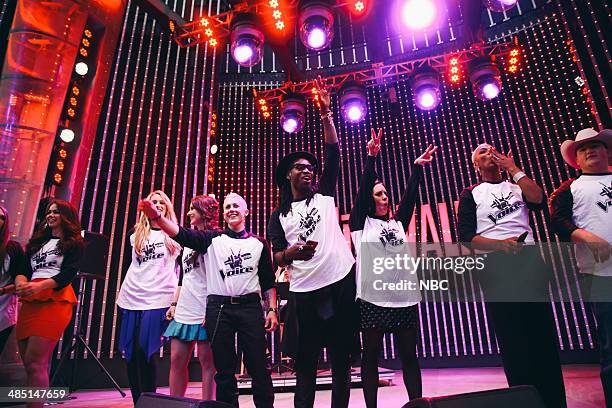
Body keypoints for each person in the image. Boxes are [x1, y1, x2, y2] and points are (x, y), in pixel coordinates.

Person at [140, 192, 277, 408]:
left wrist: (272, 310)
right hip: (219, 308)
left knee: (258, 366)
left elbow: (268, 281)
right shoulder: (213, 240)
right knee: (223, 370)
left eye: (236, 205)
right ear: (222, 214)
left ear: (246, 211)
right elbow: (182, 234)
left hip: (249, 307)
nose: (232, 209)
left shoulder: (259, 243)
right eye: (227, 206)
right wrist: (158, 218)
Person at [267, 76, 356, 408]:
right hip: (305, 293)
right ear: (288, 176)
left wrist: (325, 115)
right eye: (299, 168)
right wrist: (289, 253)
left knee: (341, 362)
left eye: (310, 168)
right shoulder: (279, 215)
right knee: (305, 364)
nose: (308, 171)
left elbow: (333, 152)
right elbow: (275, 256)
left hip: (338, 284)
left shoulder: (324, 197)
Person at [457, 143, 567, 408]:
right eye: (482, 152)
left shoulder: (517, 187)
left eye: (492, 149)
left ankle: (553, 401)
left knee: (541, 336)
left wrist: (514, 169)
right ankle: (524, 400)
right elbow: (467, 237)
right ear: (475, 165)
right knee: (513, 340)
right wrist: (501, 245)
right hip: (496, 265)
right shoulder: (472, 194)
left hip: (528, 262)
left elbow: (539, 200)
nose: (489, 153)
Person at [349, 128, 437, 407]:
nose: (384, 197)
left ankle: (416, 403)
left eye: (386, 193)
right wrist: (371, 158)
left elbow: (410, 196)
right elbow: (363, 191)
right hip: (374, 298)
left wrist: (416, 169)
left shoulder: (397, 223)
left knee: (409, 356)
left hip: (404, 297)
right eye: (378, 194)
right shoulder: (361, 224)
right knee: (371, 357)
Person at [549, 128, 612, 407]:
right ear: (575, 159)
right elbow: (557, 221)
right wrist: (586, 236)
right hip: (602, 275)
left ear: (606, 151)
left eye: (595, 145)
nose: (590, 151)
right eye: (582, 149)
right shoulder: (569, 189)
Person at [14, 199, 84, 408]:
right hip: (30, 300)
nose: (50, 215)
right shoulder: (38, 242)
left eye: (56, 212)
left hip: (54, 299)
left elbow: (69, 274)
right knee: (29, 363)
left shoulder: (74, 243)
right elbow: (23, 268)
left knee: (37, 363)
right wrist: (21, 282)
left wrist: (40, 286)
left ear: (66, 217)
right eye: (49, 212)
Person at [116, 190, 182, 404]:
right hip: (131, 297)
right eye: (153, 202)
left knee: (146, 351)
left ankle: (149, 402)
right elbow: (132, 267)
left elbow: (181, 273)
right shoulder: (135, 235)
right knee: (131, 354)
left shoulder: (174, 236)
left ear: (167, 207)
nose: (157, 205)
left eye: (161, 202)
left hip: (158, 298)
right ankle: (138, 401)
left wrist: (175, 301)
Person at [164, 195, 218, 400]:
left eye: (192, 209)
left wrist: (211, 310)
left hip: (205, 307)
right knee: (176, 359)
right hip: (185, 306)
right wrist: (174, 303)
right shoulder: (186, 243)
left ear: (204, 212)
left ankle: (208, 404)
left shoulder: (215, 239)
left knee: (207, 363)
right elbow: (183, 277)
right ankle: (176, 403)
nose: (188, 214)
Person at [0, 206, 26, 356]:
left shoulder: (12, 249)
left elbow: (20, 282)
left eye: (2, 217)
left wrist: (3, 290)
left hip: (3, 311)